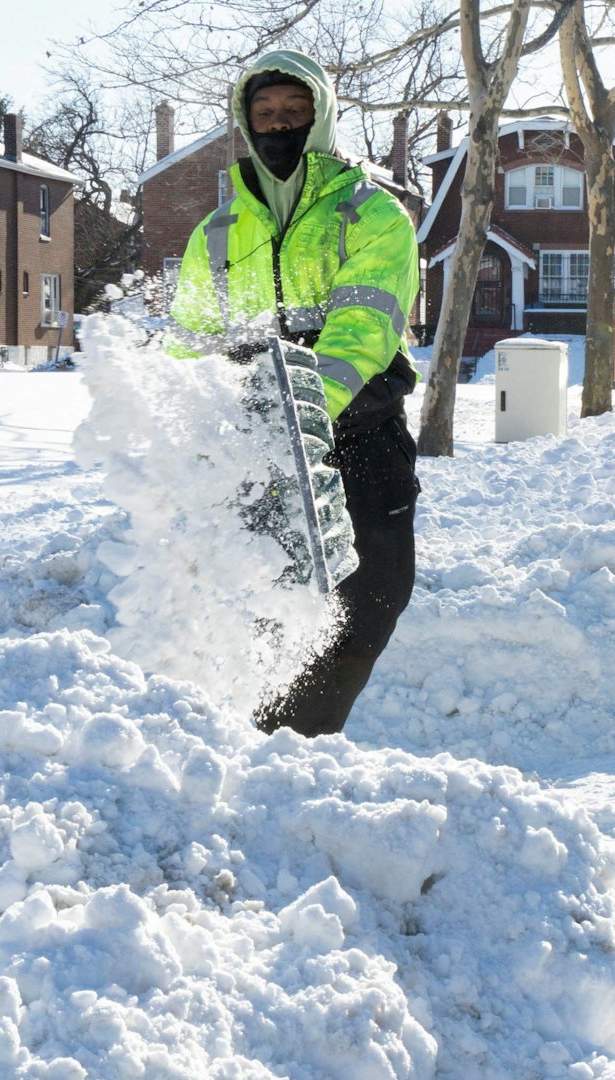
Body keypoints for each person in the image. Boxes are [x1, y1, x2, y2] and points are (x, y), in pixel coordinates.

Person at [167, 49, 421, 738]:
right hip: (253, 443)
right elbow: (190, 346)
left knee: (373, 591)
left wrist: (303, 414)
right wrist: (203, 436)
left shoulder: (369, 212)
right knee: (259, 597)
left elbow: (363, 326)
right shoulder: (215, 234)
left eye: (294, 111)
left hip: (360, 436)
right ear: (246, 126)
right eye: (265, 113)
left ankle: (302, 741)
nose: (279, 124)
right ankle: (246, 734)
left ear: (321, 116)